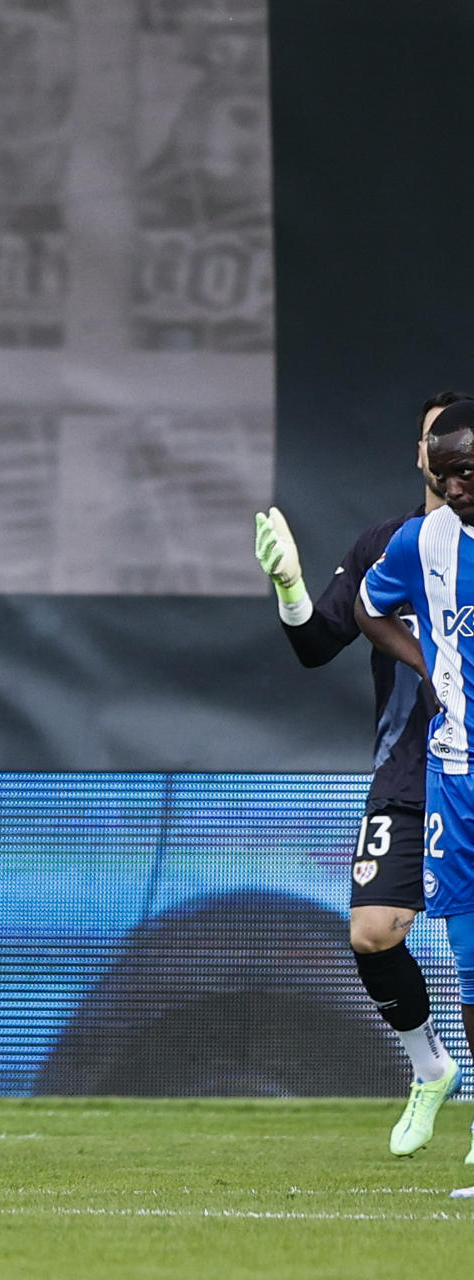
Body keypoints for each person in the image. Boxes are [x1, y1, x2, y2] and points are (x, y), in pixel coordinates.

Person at [255, 390, 468, 1155]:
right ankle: (430, 1067)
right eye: (431, 441)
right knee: (373, 932)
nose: (443, 454)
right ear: (422, 455)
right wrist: (289, 588)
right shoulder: (391, 544)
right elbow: (317, 644)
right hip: (407, 771)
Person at [358, 397, 474, 1174]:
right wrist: (427, 664)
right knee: (465, 956)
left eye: (470, 470)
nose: (458, 485)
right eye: (447, 471)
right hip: (456, 776)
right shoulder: (420, 541)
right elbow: (367, 608)